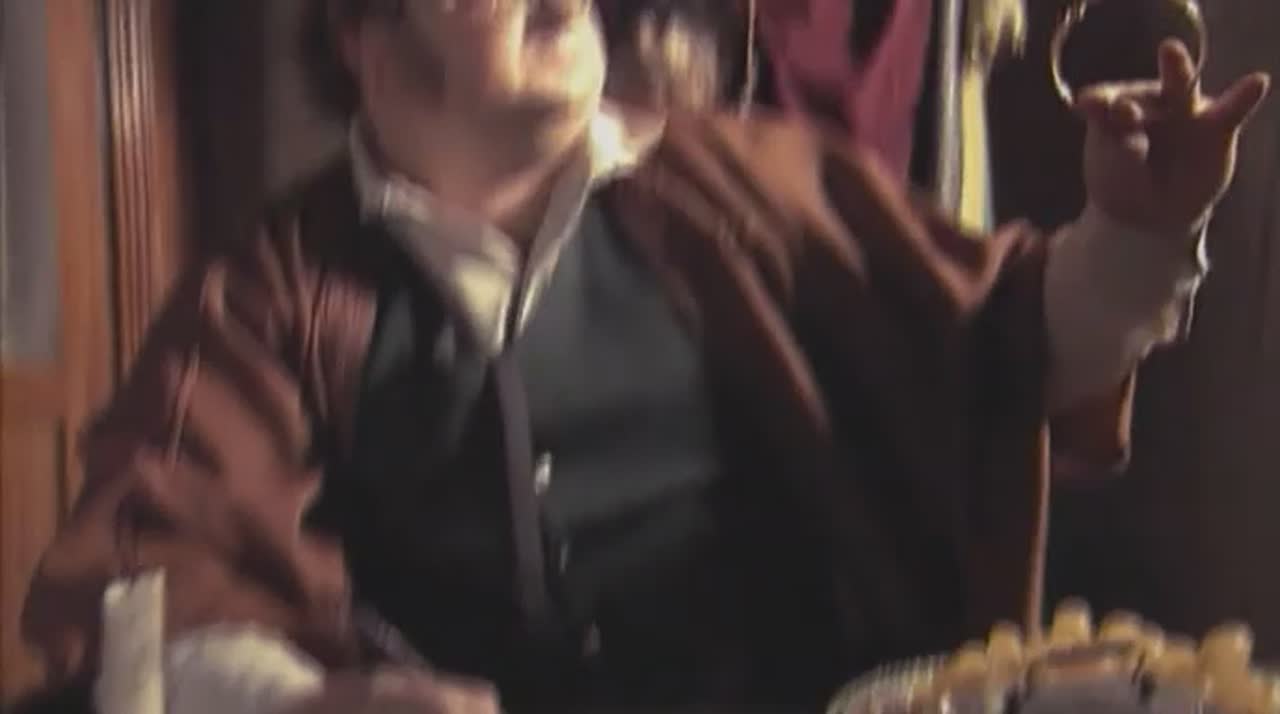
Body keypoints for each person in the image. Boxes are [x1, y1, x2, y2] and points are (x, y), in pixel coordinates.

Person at [18, 0, 1268, 712]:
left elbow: (1006, 351)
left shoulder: (745, 182)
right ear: (364, 35)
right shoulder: (274, 292)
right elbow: (155, 588)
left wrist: (1137, 230)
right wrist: (311, 704)